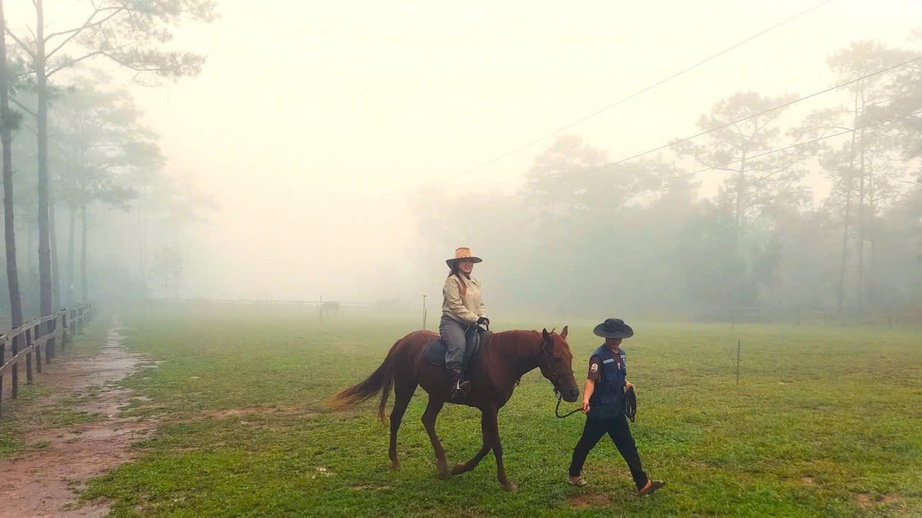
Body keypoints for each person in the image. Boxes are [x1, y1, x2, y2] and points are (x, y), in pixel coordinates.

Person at [567, 318, 666, 496]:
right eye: (611, 337)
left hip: (616, 410)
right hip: (600, 412)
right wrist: (586, 399)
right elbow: (591, 380)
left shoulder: (622, 354)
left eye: (617, 337)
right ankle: (574, 474)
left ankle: (643, 484)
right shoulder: (598, 357)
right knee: (586, 444)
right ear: (605, 336)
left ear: (622, 337)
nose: (614, 340)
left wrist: (626, 383)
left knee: (628, 446)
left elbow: (617, 376)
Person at [440, 247, 489, 402]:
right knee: (459, 346)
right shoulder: (452, 281)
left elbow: (480, 303)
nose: (468, 264)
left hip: (471, 323)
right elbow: (455, 306)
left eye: (470, 261)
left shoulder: (475, 282)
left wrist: (483, 316)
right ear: (457, 264)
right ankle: (455, 385)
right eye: (464, 261)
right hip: (452, 322)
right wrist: (476, 319)